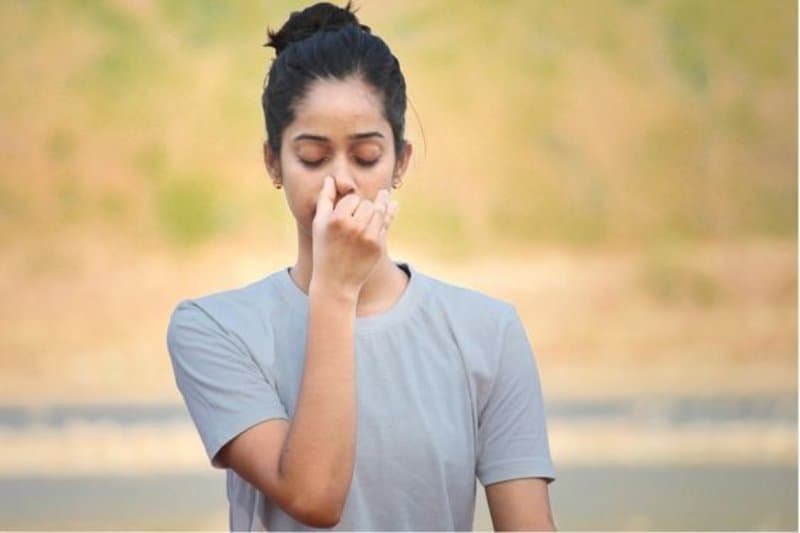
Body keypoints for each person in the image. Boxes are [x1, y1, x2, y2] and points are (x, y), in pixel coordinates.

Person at [166, 2, 557, 530]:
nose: (342, 180)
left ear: (401, 162)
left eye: (367, 156)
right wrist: (335, 290)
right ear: (272, 162)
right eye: (312, 157)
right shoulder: (216, 330)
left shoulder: (487, 332)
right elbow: (314, 497)